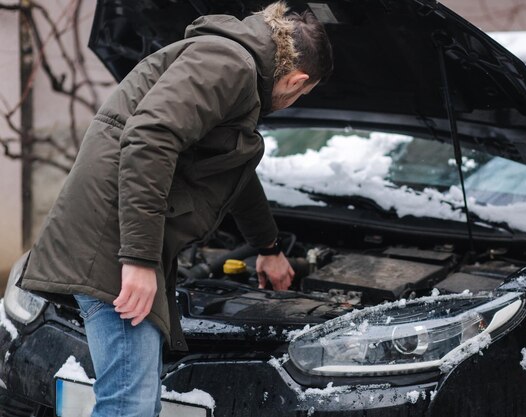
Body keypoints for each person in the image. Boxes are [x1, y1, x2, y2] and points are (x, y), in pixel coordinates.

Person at [17, 2, 333, 416]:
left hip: (116, 235)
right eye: (301, 95)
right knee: (129, 404)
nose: (293, 101)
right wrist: (138, 259)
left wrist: (269, 248)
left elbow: (234, 174)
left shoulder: (233, 64)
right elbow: (150, 136)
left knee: (136, 401)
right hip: (112, 242)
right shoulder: (230, 63)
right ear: (297, 79)